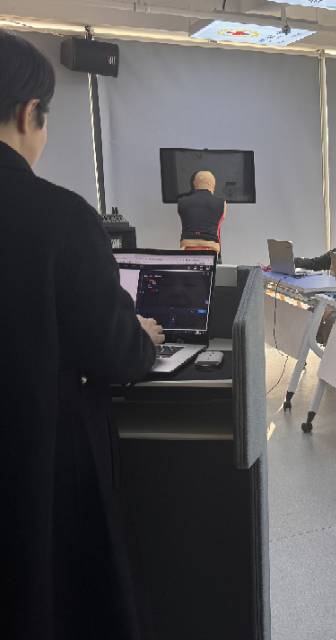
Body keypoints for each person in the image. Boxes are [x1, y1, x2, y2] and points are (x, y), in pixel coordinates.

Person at [0, 30, 164, 640]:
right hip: (38, 474)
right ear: (28, 114)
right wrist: (143, 334)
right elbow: (114, 352)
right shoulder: (60, 218)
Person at [177, 170, 227, 258]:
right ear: (213, 184)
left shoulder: (182, 201)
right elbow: (218, 226)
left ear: (195, 183)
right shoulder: (221, 203)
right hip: (211, 248)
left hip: (188, 247)